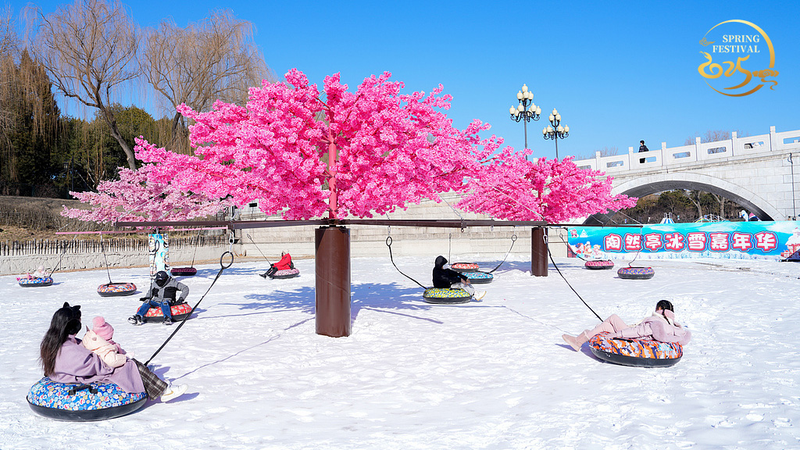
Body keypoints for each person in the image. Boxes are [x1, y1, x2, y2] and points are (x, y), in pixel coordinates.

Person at [40, 302, 187, 402]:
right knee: (129, 364)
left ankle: (148, 376)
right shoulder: (68, 349)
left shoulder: (54, 341)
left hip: (65, 375)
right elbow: (89, 365)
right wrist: (107, 357)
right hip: (77, 378)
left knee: (121, 359)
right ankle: (164, 391)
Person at [561, 300, 691, 351]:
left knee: (613, 317)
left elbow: (638, 332)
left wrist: (617, 334)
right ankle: (580, 340)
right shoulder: (671, 324)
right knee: (606, 325)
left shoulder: (657, 321)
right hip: (637, 334)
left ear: (660, 308)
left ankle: (579, 341)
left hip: (634, 336)